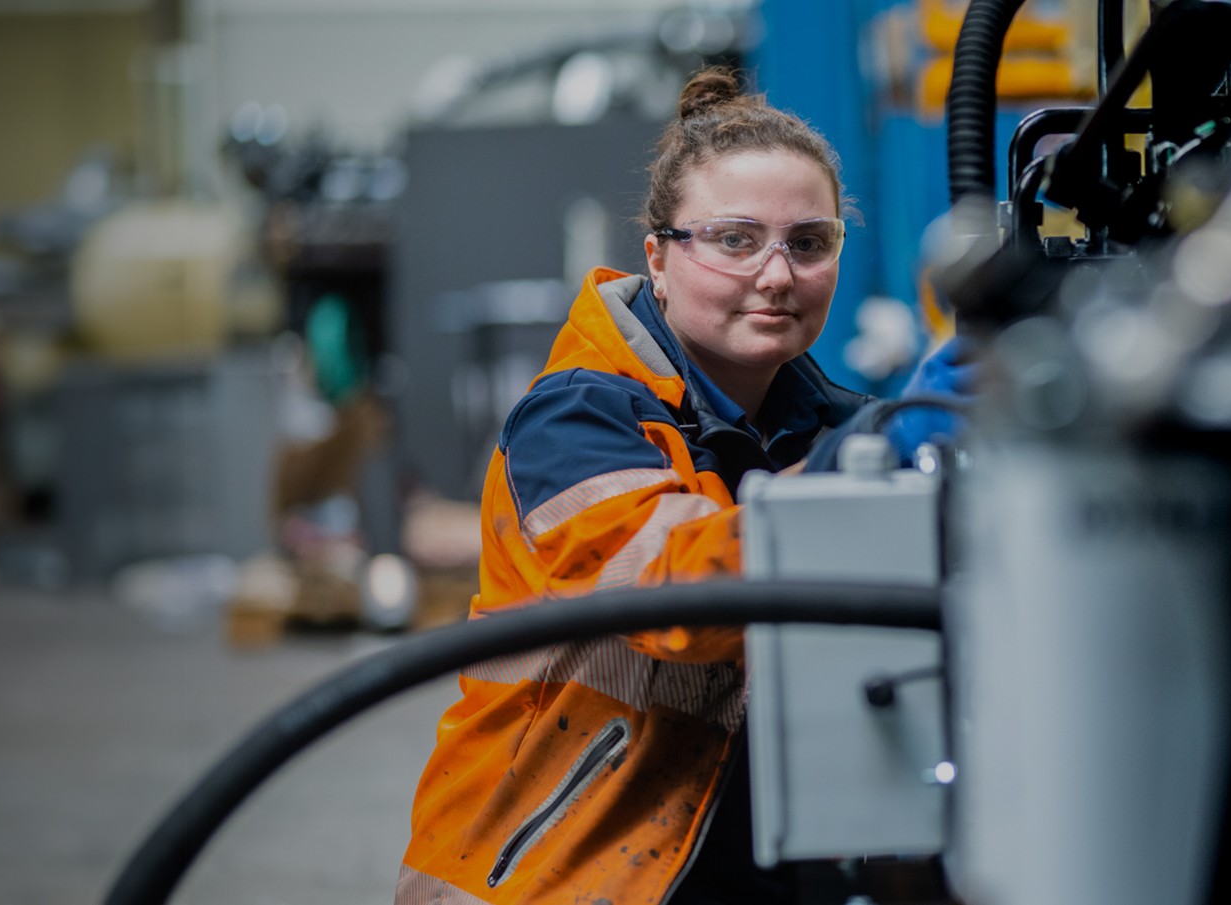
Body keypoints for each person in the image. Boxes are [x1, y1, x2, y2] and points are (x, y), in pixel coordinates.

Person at [395, 67, 970, 905]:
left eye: (809, 243)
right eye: (736, 239)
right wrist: (874, 458)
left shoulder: (836, 424)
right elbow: (671, 598)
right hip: (548, 880)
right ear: (659, 258)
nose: (777, 275)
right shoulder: (574, 419)